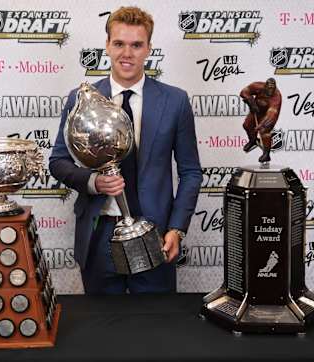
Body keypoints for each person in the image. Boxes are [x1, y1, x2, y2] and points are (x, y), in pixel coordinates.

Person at [49, 6, 202, 294]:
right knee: (102, 329)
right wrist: (94, 182)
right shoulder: (80, 100)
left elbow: (191, 173)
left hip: (155, 234)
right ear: (107, 45)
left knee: (155, 330)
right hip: (99, 235)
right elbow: (58, 162)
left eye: (136, 45)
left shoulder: (175, 101)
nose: (127, 53)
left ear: (148, 49)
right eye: (119, 43)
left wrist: (176, 228)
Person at [239, 78, 282, 163]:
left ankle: (266, 154)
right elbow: (243, 92)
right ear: (265, 86)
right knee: (247, 125)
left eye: (272, 89)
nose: (270, 91)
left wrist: (261, 124)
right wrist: (250, 100)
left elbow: (271, 115)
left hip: (268, 115)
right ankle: (253, 140)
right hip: (256, 109)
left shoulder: (276, 97)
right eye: (269, 88)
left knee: (264, 131)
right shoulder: (258, 86)